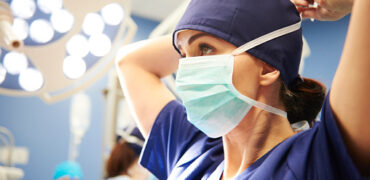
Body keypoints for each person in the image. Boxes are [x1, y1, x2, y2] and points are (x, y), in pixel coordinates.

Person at [116, 0, 370, 179]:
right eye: (183, 56)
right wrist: (203, 25)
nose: (186, 70)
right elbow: (130, 63)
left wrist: (267, 24)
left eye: (205, 49)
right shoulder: (192, 154)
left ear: (268, 67)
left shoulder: (317, 159)